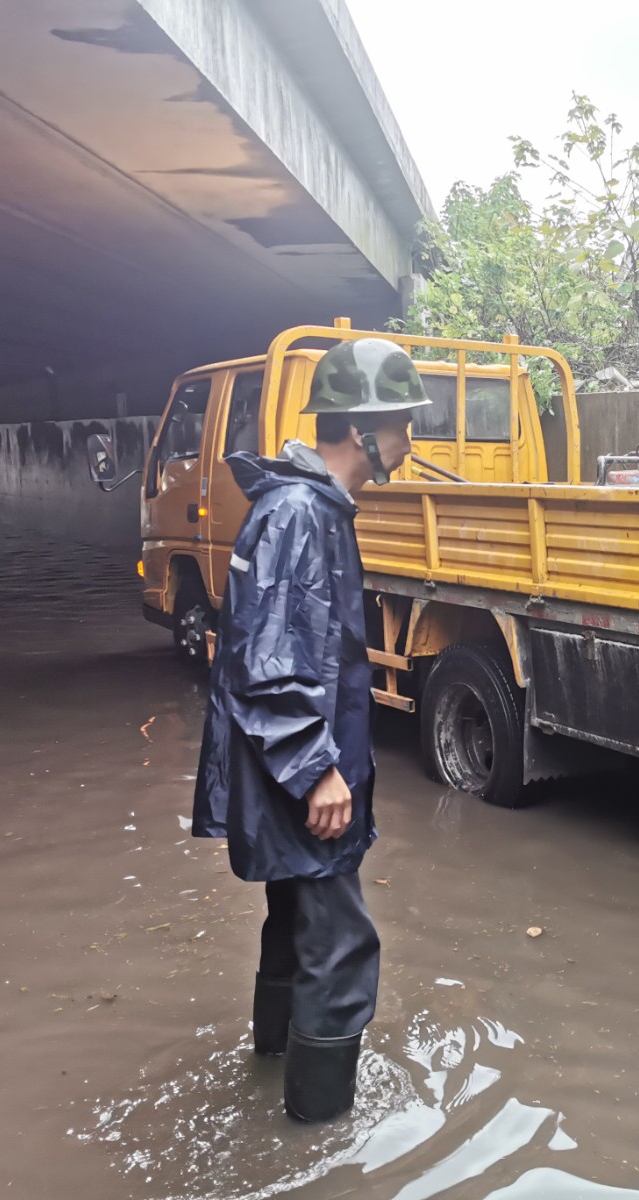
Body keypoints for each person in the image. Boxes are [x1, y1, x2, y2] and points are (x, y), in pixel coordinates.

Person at [191, 337, 431, 1121]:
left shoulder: (307, 506)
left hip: (293, 771)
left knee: (295, 922)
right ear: (362, 431)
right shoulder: (298, 513)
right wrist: (316, 770)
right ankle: (318, 1138)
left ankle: (272, 1081)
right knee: (341, 946)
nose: (409, 439)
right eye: (401, 422)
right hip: (302, 773)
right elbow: (270, 660)